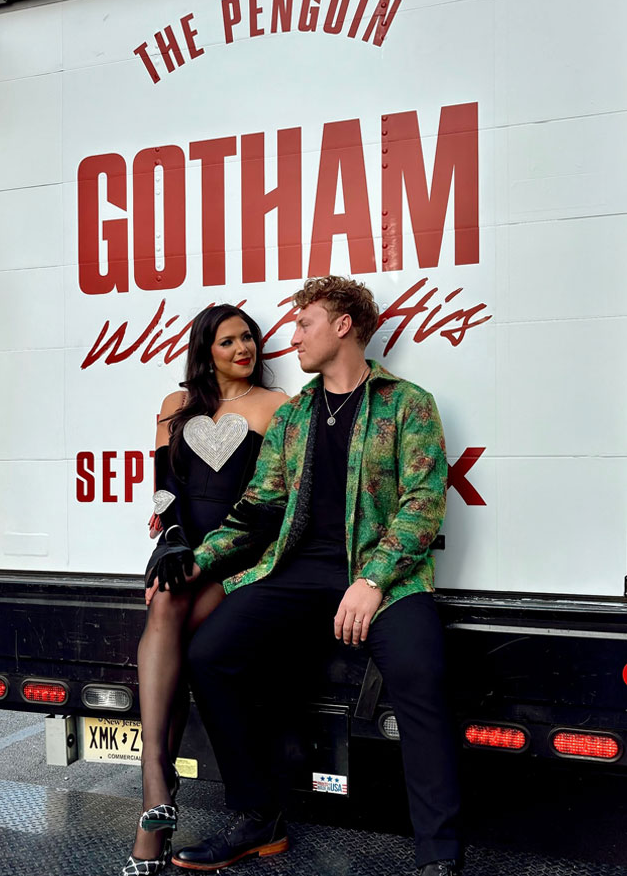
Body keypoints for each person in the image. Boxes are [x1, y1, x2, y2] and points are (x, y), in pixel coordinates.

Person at [172, 277, 463, 876]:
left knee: (421, 672)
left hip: (383, 578)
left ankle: (438, 854)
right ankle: (258, 818)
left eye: (305, 322)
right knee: (211, 654)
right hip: (297, 571)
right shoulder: (295, 415)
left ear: (343, 325)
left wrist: (373, 579)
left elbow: (424, 503)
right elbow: (257, 509)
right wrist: (195, 560)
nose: (292, 335)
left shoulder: (407, 404)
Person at [122, 304, 288, 876]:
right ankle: (156, 788)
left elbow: (273, 498)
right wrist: (170, 540)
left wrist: (207, 555)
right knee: (165, 602)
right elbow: (166, 489)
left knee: (177, 634)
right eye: (228, 342)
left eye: (248, 338)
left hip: (237, 555)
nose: (244, 349)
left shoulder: (277, 407)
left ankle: (156, 793)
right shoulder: (175, 406)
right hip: (182, 547)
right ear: (206, 350)